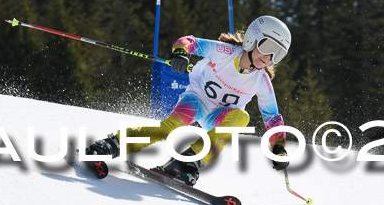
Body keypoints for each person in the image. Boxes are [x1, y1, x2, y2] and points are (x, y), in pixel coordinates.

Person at [86, 15, 291, 186]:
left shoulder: (262, 81)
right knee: (169, 129)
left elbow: (272, 117)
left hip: (220, 116)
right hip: (196, 100)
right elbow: (188, 41)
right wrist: (181, 54)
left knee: (241, 118)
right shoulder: (224, 52)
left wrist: (278, 147)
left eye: (278, 54)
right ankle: (111, 144)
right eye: (267, 47)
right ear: (252, 40)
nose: (269, 57)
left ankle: (187, 162)